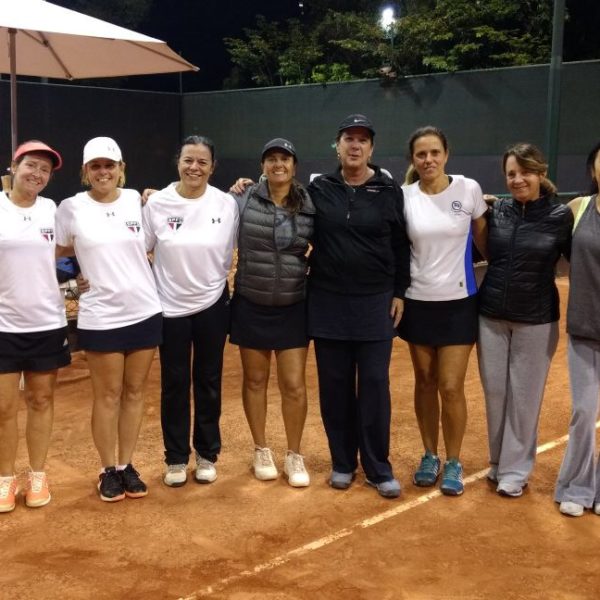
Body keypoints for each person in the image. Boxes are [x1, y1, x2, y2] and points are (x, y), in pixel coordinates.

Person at [307, 114, 410, 499]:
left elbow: (400, 244)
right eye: (349, 138)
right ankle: (342, 462)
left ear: (371, 148)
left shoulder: (388, 189)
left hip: (375, 302)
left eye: (362, 140)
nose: (355, 145)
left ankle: (378, 467)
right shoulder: (320, 188)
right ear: (337, 146)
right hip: (328, 301)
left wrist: (399, 291)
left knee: (374, 385)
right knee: (334, 386)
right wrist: (245, 186)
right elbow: (284, 201)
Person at [55, 137, 162, 502]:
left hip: (144, 310)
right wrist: (70, 279)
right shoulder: (71, 208)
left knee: (134, 393)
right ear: (86, 171)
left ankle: (126, 464)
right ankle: (107, 469)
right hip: (100, 316)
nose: (103, 172)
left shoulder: (137, 201)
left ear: (121, 169)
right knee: (107, 395)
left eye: (109, 165)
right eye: (96, 166)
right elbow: (53, 250)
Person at [478, 143, 572, 498]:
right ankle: (498, 461)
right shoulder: (497, 210)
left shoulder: (560, 216)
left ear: (541, 173)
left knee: (524, 398)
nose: (518, 180)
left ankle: (515, 472)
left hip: (536, 319)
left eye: (525, 172)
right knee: (496, 394)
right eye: (511, 174)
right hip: (491, 316)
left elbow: (580, 259)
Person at [143, 136, 238, 487]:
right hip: (169, 308)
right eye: (188, 160)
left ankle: (207, 454)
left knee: (209, 380)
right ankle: (176, 457)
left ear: (212, 167)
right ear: (178, 162)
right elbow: (140, 249)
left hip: (213, 304)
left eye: (202, 162)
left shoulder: (227, 204)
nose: (194, 167)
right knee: (174, 382)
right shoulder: (156, 204)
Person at [398, 125, 487, 496]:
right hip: (417, 302)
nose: (428, 159)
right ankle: (429, 454)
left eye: (435, 152)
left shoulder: (468, 189)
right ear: (413, 159)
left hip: (459, 303)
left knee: (450, 386)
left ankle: (453, 460)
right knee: (424, 381)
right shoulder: (404, 196)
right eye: (421, 154)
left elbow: (484, 240)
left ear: (446, 154)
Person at [229, 138, 314, 487]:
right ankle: (261, 449)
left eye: (285, 159)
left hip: (294, 304)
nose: (278, 164)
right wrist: (152, 195)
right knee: (255, 381)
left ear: (294, 165)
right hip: (251, 301)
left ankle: (294, 454)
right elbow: (199, 203)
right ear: (262, 165)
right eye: (272, 159)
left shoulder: (309, 202)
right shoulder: (242, 198)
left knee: (294, 384)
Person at [0, 141, 68, 513]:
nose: (37, 174)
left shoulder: (52, 211)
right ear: (14, 166)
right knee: (3, 408)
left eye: (45, 169)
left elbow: (75, 246)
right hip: (3, 326)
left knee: (41, 401)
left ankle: (37, 475)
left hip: (46, 323)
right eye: (31, 165)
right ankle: (5, 479)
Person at [555, 140, 600, 517]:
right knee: (584, 412)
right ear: (592, 170)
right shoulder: (578, 208)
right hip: (585, 326)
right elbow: (542, 225)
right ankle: (577, 485)